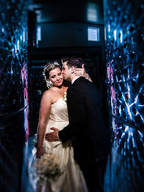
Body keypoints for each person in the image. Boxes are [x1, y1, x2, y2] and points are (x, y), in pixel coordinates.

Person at [45, 57, 110, 192]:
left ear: (73, 69)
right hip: (101, 145)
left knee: (92, 185)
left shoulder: (74, 90)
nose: (62, 73)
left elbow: (78, 124)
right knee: (98, 185)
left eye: (63, 69)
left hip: (89, 147)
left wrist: (60, 135)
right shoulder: (91, 85)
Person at [34, 61, 89, 192]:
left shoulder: (71, 88)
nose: (58, 78)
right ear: (48, 79)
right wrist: (40, 146)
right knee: (57, 175)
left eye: (59, 74)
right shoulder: (48, 95)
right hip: (54, 138)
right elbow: (42, 121)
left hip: (70, 134)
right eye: (53, 76)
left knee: (72, 171)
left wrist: (85, 75)